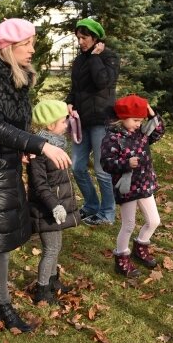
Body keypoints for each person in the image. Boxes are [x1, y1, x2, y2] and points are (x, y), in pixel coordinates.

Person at [0, 18, 71, 333]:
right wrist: (41, 146)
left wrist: (23, 145)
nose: (33, 50)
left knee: (4, 230)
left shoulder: (13, 75)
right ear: (8, 48)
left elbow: (15, 122)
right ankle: (2, 307)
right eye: (27, 44)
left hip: (4, 161)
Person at [100, 95, 165, 278]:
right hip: (127, 187)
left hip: (144, 184)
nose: (138, 123)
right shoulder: (112, 138)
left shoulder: (142, 133)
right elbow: (106, 163)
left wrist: (151, 113)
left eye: (141, 120)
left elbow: (158, 131)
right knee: (128, 225)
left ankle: (140, 247)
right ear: (122, 118)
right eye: (135, 120)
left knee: (154, 221)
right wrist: (126, 163)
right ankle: (121, 259)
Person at [66, 17, 120, 226]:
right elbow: (75, 88)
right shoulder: (79, 60)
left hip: (101, 120)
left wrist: (96, 57)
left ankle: (107, 213)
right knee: (77, 167)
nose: (81, 41)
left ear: (96, 38)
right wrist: (70, 102)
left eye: (85, 37)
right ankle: (91, 205)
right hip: (81, 121)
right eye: (78, 37)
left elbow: (103, 82)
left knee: (101, 170)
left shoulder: (109, 57)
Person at [26, 100, 81, 305]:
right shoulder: (39, 151)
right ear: (50, 126)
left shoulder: (56, 144)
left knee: (56, 247)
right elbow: (39, 185)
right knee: (50, 249)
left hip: (56, 208)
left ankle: (52, 280)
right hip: (47, 209)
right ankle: (42, 290)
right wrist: (54, 205)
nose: (66, 125)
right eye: (62, 122)